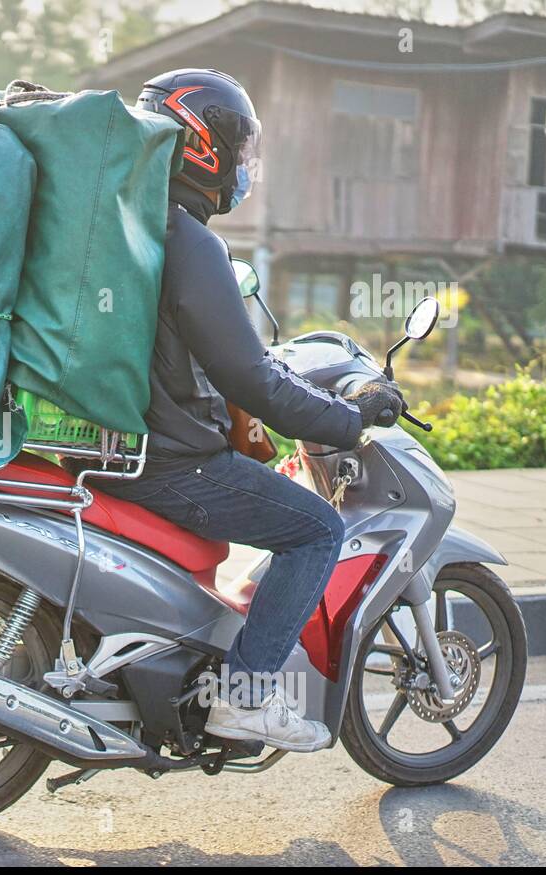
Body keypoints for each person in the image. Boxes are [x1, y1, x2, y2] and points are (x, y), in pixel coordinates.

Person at [118, 68, 406, 752]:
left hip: (129, 446)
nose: (246, 167)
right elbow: (248, 376)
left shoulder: (134, 223)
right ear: (203, 147)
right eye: (239, 149)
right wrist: (349, 423)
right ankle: (247, 699)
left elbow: (225, 358)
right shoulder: (190, 242)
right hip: (174, 464)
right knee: (313, 529)